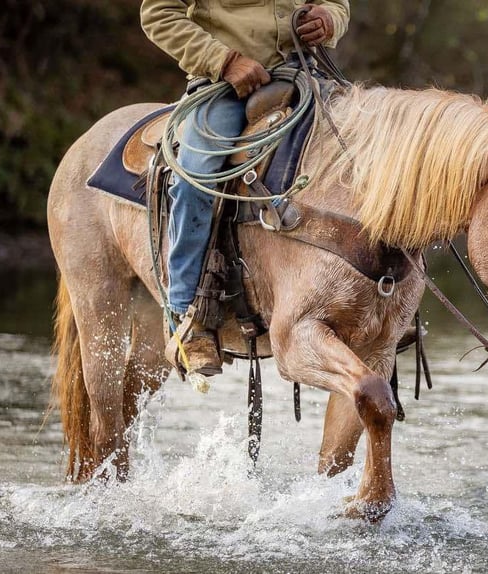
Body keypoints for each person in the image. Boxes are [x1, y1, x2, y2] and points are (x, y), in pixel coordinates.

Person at [139, 0, 351, 377]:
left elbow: (336, 3)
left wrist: (329, 19)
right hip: (224, 87)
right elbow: (157, 14)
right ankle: (188, 315)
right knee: (196, 179)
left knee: (361, 158)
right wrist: (223, 61)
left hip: (304, 77)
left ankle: (378, 302)